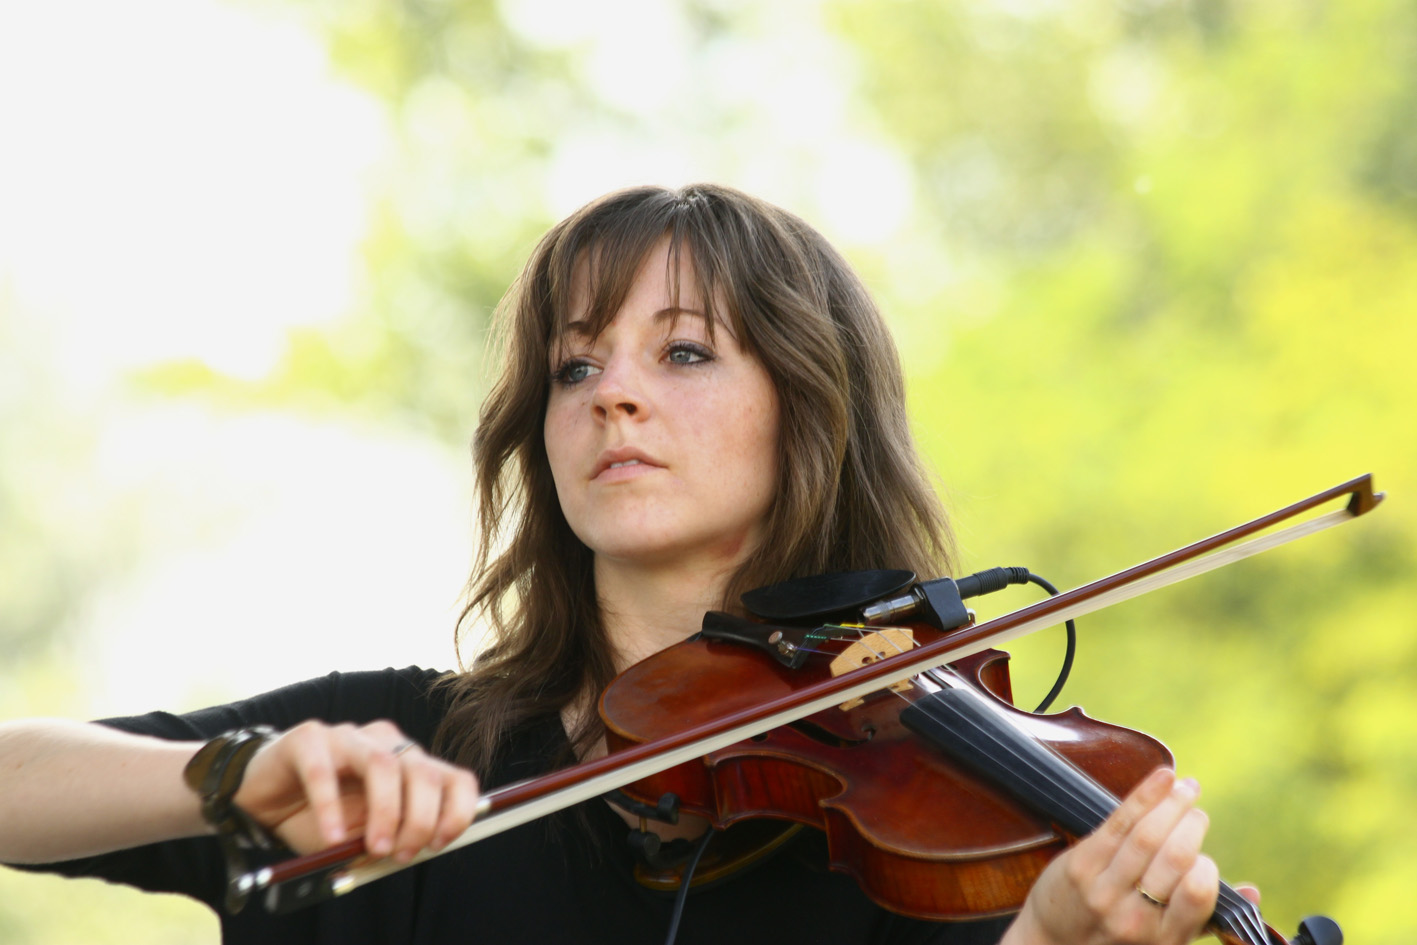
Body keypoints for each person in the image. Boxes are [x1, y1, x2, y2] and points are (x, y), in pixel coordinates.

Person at [0, 184, 1233, 945]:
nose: (613, 399)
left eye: (683, 354)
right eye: (575, 367)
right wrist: (235, 773)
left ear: (807, 408)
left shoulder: (926, 811)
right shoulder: (409, 754)